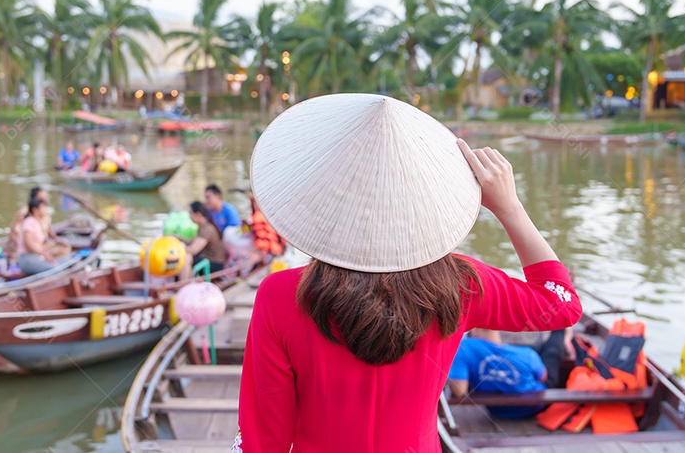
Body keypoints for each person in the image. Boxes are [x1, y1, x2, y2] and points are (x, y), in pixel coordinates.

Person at [237, 94, 581, 452]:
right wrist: (509, 207)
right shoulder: (461, 284)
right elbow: (561, 302)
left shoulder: (279, 295)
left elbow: (263, 440)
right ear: (426, 199)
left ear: (323, 200)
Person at [447, 329, 565, 419]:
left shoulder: (464, 347)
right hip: (533, 408)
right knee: (552, 352)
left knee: (539, 352)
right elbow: (543, 377)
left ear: (475, 330)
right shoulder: (528, 354)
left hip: (496, 411)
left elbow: (459, 391)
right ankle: (561, 330)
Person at [182, 202, 229, 274]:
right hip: (207, 259)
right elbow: (193, 242)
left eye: (190, 213)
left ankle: (185, 280)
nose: (189, 216)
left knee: (187, 258)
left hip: (214, 264)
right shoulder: (202, 227)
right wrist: (177, 238)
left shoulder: (207, 229)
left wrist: (177, 250)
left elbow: (193, 250)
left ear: (198, 214)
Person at [16, 199, 57, 275]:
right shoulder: (29, 222)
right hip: (27, 259)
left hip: (35, 257)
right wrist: (44, 254)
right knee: (54, 269)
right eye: (43, 208)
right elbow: (29, 244)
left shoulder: (36, 222)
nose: (45, 210)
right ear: (35, 210)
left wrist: (46, 254)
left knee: (57, 264)